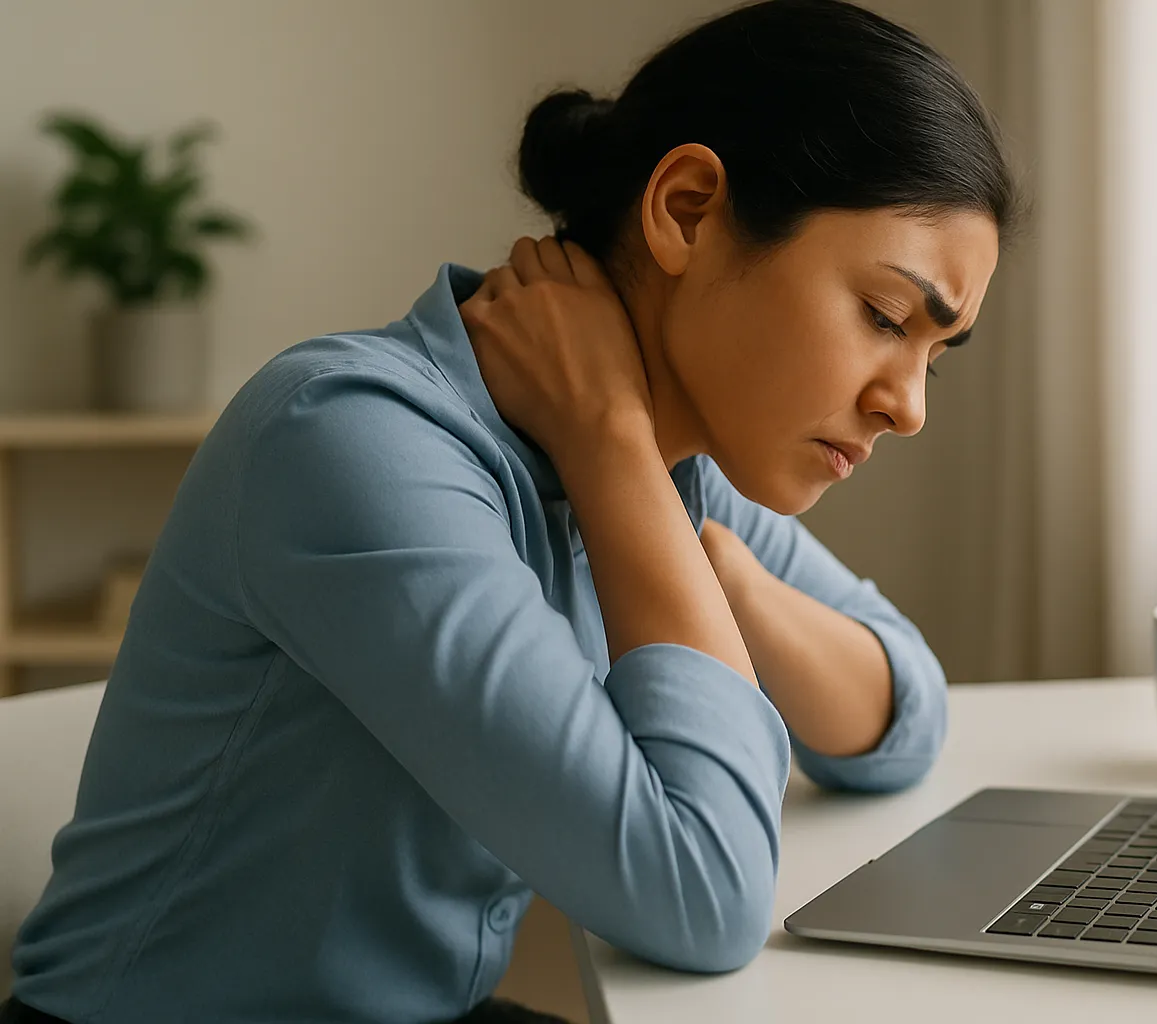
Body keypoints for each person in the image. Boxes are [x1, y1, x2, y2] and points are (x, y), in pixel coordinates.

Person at [2, 1, 1018, 1021]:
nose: (910, 404)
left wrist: (703, 554)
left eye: (934, 352)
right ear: (689, 210)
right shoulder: (353, 445)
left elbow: (904, 716)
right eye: (886, 317)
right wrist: (614, 454)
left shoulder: (678, 479)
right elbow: (704, 894)